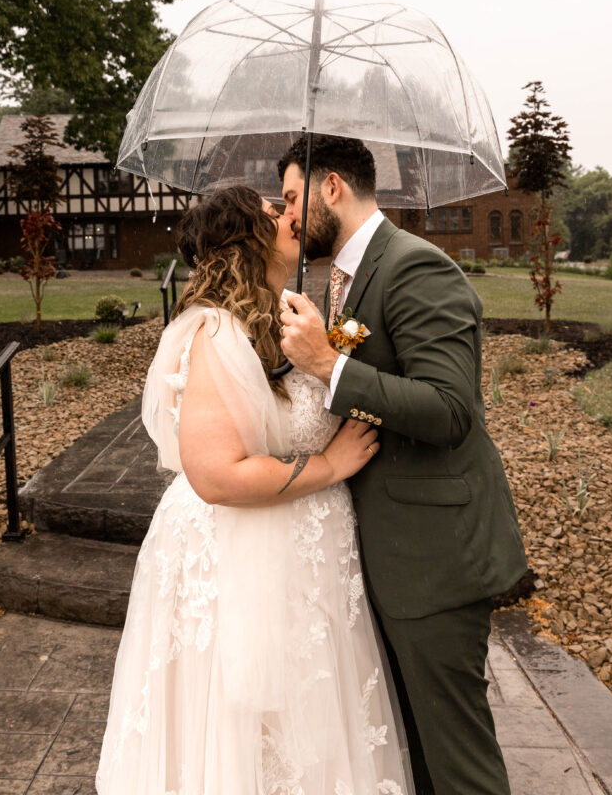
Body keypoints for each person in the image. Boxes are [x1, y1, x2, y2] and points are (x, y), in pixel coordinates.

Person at [96, 185, 415, 795]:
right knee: (247, 732)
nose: (290, 216)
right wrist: (329, 464)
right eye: (274, 212)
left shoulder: (284, 318)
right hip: (244, 552)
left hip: (305, 555)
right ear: (245, 239)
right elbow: (216, 475)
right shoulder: (216, 332)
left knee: (306, 726)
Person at [278, 135, 528, 795]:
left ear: (332, 187)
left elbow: (450, 410)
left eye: (293, 197)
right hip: (384, 555)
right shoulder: (347, 277)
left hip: (433, 563)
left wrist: (328, 366)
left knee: (455, 762)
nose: (290, 216)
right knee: (411, 752)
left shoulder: (417, 268)